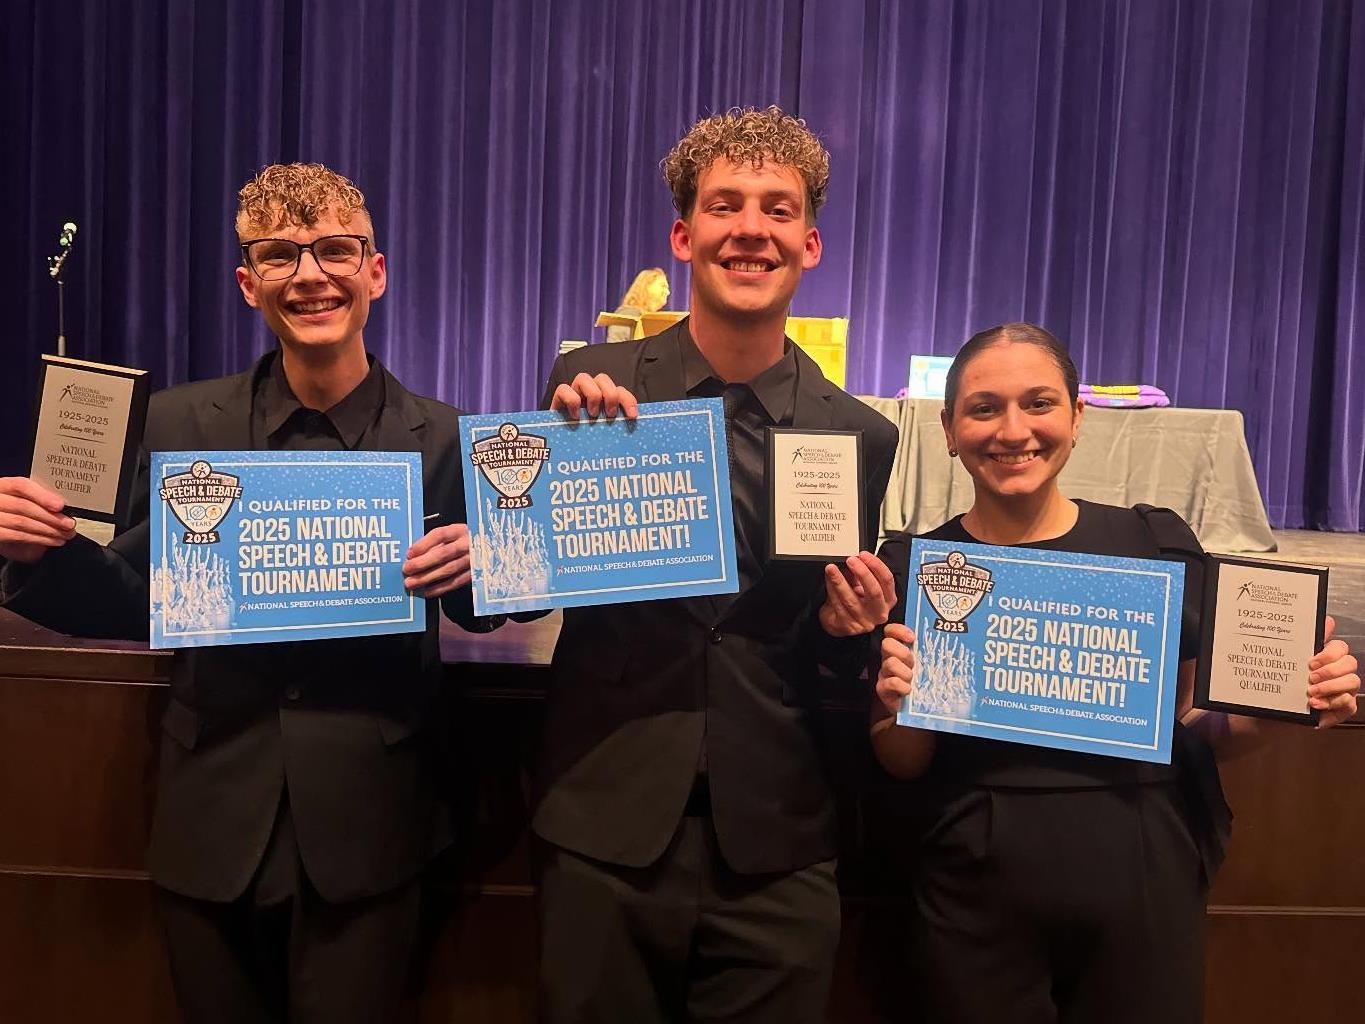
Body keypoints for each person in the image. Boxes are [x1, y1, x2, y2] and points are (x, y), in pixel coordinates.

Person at [0, 163, 501, 1023]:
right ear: (248, 284)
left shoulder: (449, 437)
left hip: (374, 834)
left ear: (375, 271)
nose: (311, 275)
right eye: (280, 256)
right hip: (210, 826)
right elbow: (129, 598)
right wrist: (36, 549)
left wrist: (483, 563)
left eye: (336, 250)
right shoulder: (176, 426)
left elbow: (487, 607)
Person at [870, 322, 1360, 1023]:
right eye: (984, 408)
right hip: (971, 887)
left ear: (1076, 417)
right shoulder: (914, 567)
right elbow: (900, 760)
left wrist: (1286, 709)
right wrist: (901, 703)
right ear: (947, 429)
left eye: (1038, 403)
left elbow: (1196, 728)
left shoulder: (1153, 546)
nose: (1014, 430)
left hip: (1139, 871)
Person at [533, 106, 901, 1022]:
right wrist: (555, 462)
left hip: (779, 837)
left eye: (776, 210)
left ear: (808, 244)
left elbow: (826, 653)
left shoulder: (859, 434)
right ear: (682, 232)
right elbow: (522, 577)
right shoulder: (588, 389)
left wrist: (848, 632)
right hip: (604, 821)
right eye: (725, 204)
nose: (750, 228)